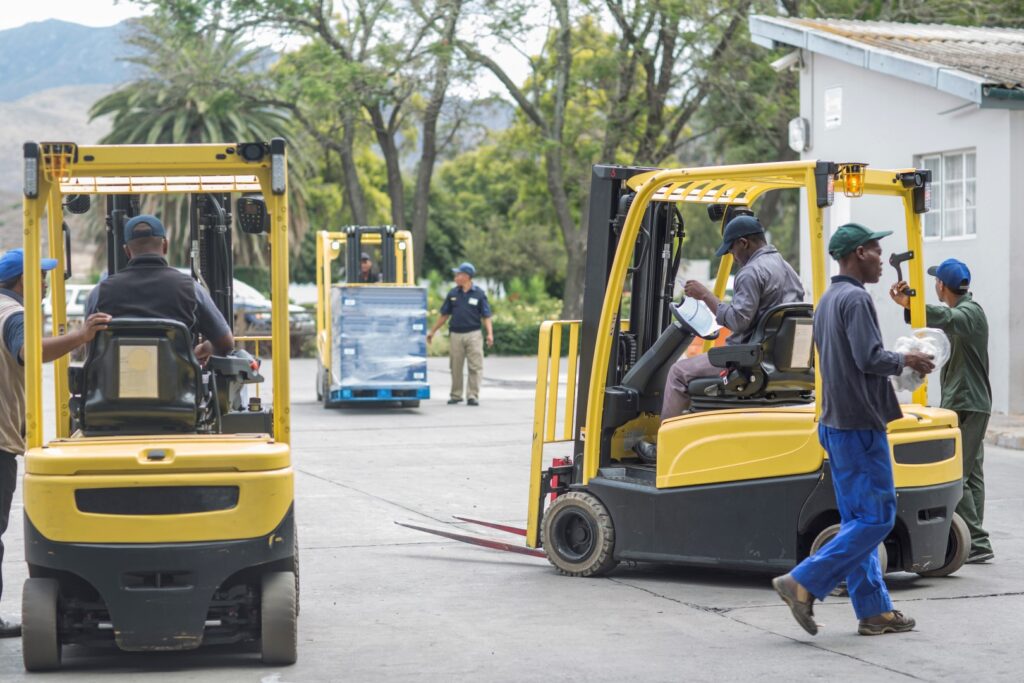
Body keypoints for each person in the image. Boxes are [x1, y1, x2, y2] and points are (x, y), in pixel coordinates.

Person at [772, 223, 936, 637]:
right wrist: (908, 361)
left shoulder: (828, 300)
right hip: (860, 425)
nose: (883, 259)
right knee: (878, 520)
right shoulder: (856, 299)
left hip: (835, 423)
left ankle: (874, 610)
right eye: (878, 252)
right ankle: (803, 581)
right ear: (859, 253)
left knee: (856, 523)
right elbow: (868, 358)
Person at [0, 248, 111, 638]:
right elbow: (27, 352)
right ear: (21, 282)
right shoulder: (13, 314)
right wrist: (80, 336)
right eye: (40, 277)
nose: (46, 284)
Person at [633, 214, 804, 463]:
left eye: (732, 250)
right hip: (777, 359)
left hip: (748, 359)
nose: (733, 258)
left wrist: (705, 296)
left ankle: (664, 450)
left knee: (678, 373)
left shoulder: (751, 272)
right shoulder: (785, 267)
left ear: (744, 243)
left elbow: (737, 320)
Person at [889, 258, 993, 563]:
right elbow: (942, 322)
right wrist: (911, 304)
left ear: (941, 286)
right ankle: (973, 538)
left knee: (957, 473)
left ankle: (977, 541)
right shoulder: (963, 313)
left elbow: (947, 320)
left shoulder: (970, 313)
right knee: (972, 473)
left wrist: (910, 303)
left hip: (966, 402)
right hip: (970, 401)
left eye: (935, 281)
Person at [85, 215, 234, 361]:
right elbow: (226, 344)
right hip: (178, 384)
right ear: (165, 245)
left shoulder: (100, 293)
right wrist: (202, 349)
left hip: (116, 384)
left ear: (127, 251)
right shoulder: (191, 289)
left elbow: (91, 351)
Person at [426, 262, 494, 406]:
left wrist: (490, 334)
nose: (455, 277)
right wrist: (432, 332)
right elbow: (444, 315)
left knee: (475, 366)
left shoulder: (479, 294)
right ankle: (456, 395)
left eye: (458, 274)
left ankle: (472, 395)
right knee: (455, 366)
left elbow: (486, 316)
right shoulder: (452, 294)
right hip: (456, 335)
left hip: (474, 334)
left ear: (467, 276)